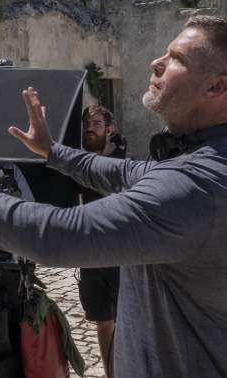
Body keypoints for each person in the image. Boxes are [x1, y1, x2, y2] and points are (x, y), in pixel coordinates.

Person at [0, 15, 227, 376]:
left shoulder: (199, 185)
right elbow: (120, 171)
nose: (156, 63)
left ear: (216, 88)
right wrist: (52, 151)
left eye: (177, 58)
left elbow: (58, 235)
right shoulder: (210, 159)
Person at [74, 104, 127, 378]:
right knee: (103, 321)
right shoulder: (79, 164)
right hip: (91, 255)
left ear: (110, 129)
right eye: (85, 124)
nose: (88, 129)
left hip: (121, 256)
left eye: (95, 124)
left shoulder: (122, 162)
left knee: (126, 320)